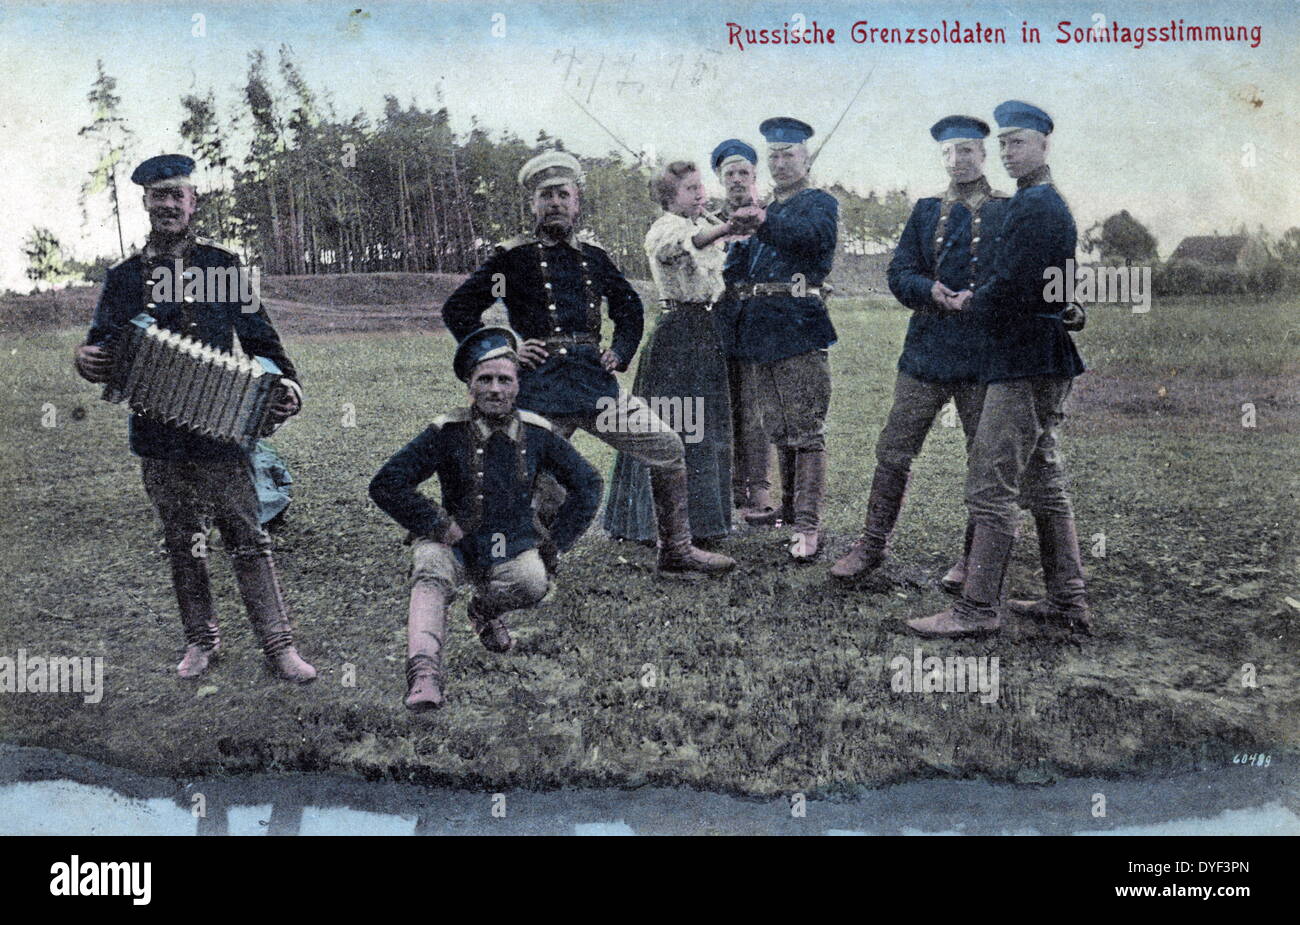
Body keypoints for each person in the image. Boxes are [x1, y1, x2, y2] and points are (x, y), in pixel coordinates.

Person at [73, 154, 314, 682]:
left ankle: (280, 648)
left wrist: (286, 385)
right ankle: (200, 643)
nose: (168, 205)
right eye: (158, 196)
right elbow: (99, 348)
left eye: (177, 195)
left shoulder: (223, 267)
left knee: (248, 537)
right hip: (158, 435)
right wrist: (85, 360)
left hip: (223, 428)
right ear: (146, 203)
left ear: (192, 202)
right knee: (183, 540)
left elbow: (263, 343)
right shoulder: (122, 278)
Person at [442, 151, 735, 577]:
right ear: (533, 206)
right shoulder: (511, 258)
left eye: (564, 194)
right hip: (540, 390)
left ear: (577, 202)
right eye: (547, 196)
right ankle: (528, 564)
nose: (556, 203)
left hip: (594, 387)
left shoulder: (594, 257)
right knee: (540, 484)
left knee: (667, 448)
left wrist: (620, 349)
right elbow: (459, 309)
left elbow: (629, 307)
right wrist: (504, 351)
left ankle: (676, 552)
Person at [907, 101, 1089, 638]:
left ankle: (976, 609)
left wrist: (968, 303)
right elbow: (1056, 283)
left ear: (1043, 146)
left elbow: (1010, 285)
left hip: (1022, 360)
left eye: (1019, 142)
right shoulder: (1042, 201)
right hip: (1042, 354)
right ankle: (1068, 600)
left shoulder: (1035, 206)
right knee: (1043, 480)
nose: (1010, 152)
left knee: (992, 484)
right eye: (1004, 143)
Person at [369, 327, 602, 710]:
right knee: (430, 570)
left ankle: (483, 611)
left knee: (532, 583)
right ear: (470, 388)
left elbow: (588, 482)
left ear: (517, 386)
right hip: (452, 541)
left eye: (504, 380)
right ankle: (424, 674)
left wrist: (554, 544)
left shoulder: (538, 433)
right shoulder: (446, 431)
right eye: (485, 380)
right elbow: (386, 483)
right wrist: (437, 523)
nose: (495, 389)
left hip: (509, 544)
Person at [830, 115, 1010, 586]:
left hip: (982, 356)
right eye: (949, 152)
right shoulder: (926, 210)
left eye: (966, 150)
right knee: (894, 449)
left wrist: (980, 298)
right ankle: (871, 546)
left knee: (984, 458)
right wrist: (930, 291)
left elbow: (1015, 276)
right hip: (926, 353)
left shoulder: (1006, 210)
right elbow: (899, 271)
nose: (958, 160)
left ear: (983, 154)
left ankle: (971, 561)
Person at [603, 160, 760, 545]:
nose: (700, 193)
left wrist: (731, 227)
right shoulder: (665, 229)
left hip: (705, 332)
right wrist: (725, 228)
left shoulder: (699, 223)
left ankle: (703, 525)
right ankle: (654, 525)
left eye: (700, 186)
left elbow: (714, 245)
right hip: (676, 336)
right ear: (669, 198)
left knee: (704, 426)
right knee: (675, 424)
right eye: (690, 189)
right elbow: (677, 249)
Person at [724, 118, 839, 560]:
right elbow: (740, 266)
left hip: (798, 323)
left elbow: (811, 242)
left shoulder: (819, 202)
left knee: (806, 429)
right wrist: (736, 242)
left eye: (788, 154)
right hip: (760, 328)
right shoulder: (765, 205)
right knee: (777, 426)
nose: (779, 161)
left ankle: (808, 526)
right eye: (772, 154)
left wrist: (761, 223)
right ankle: (788, 512)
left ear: (806, 158)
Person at [709, 139, 778, 522]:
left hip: (758, 320)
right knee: (724, 404)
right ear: (720, 179)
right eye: (729, 174)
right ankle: (729, 487)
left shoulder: (770, 217)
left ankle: (760, 488)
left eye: (744, 173)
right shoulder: (706, 221)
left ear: (755, 177)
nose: (737, 180)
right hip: (718, 319)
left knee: (755, 406)